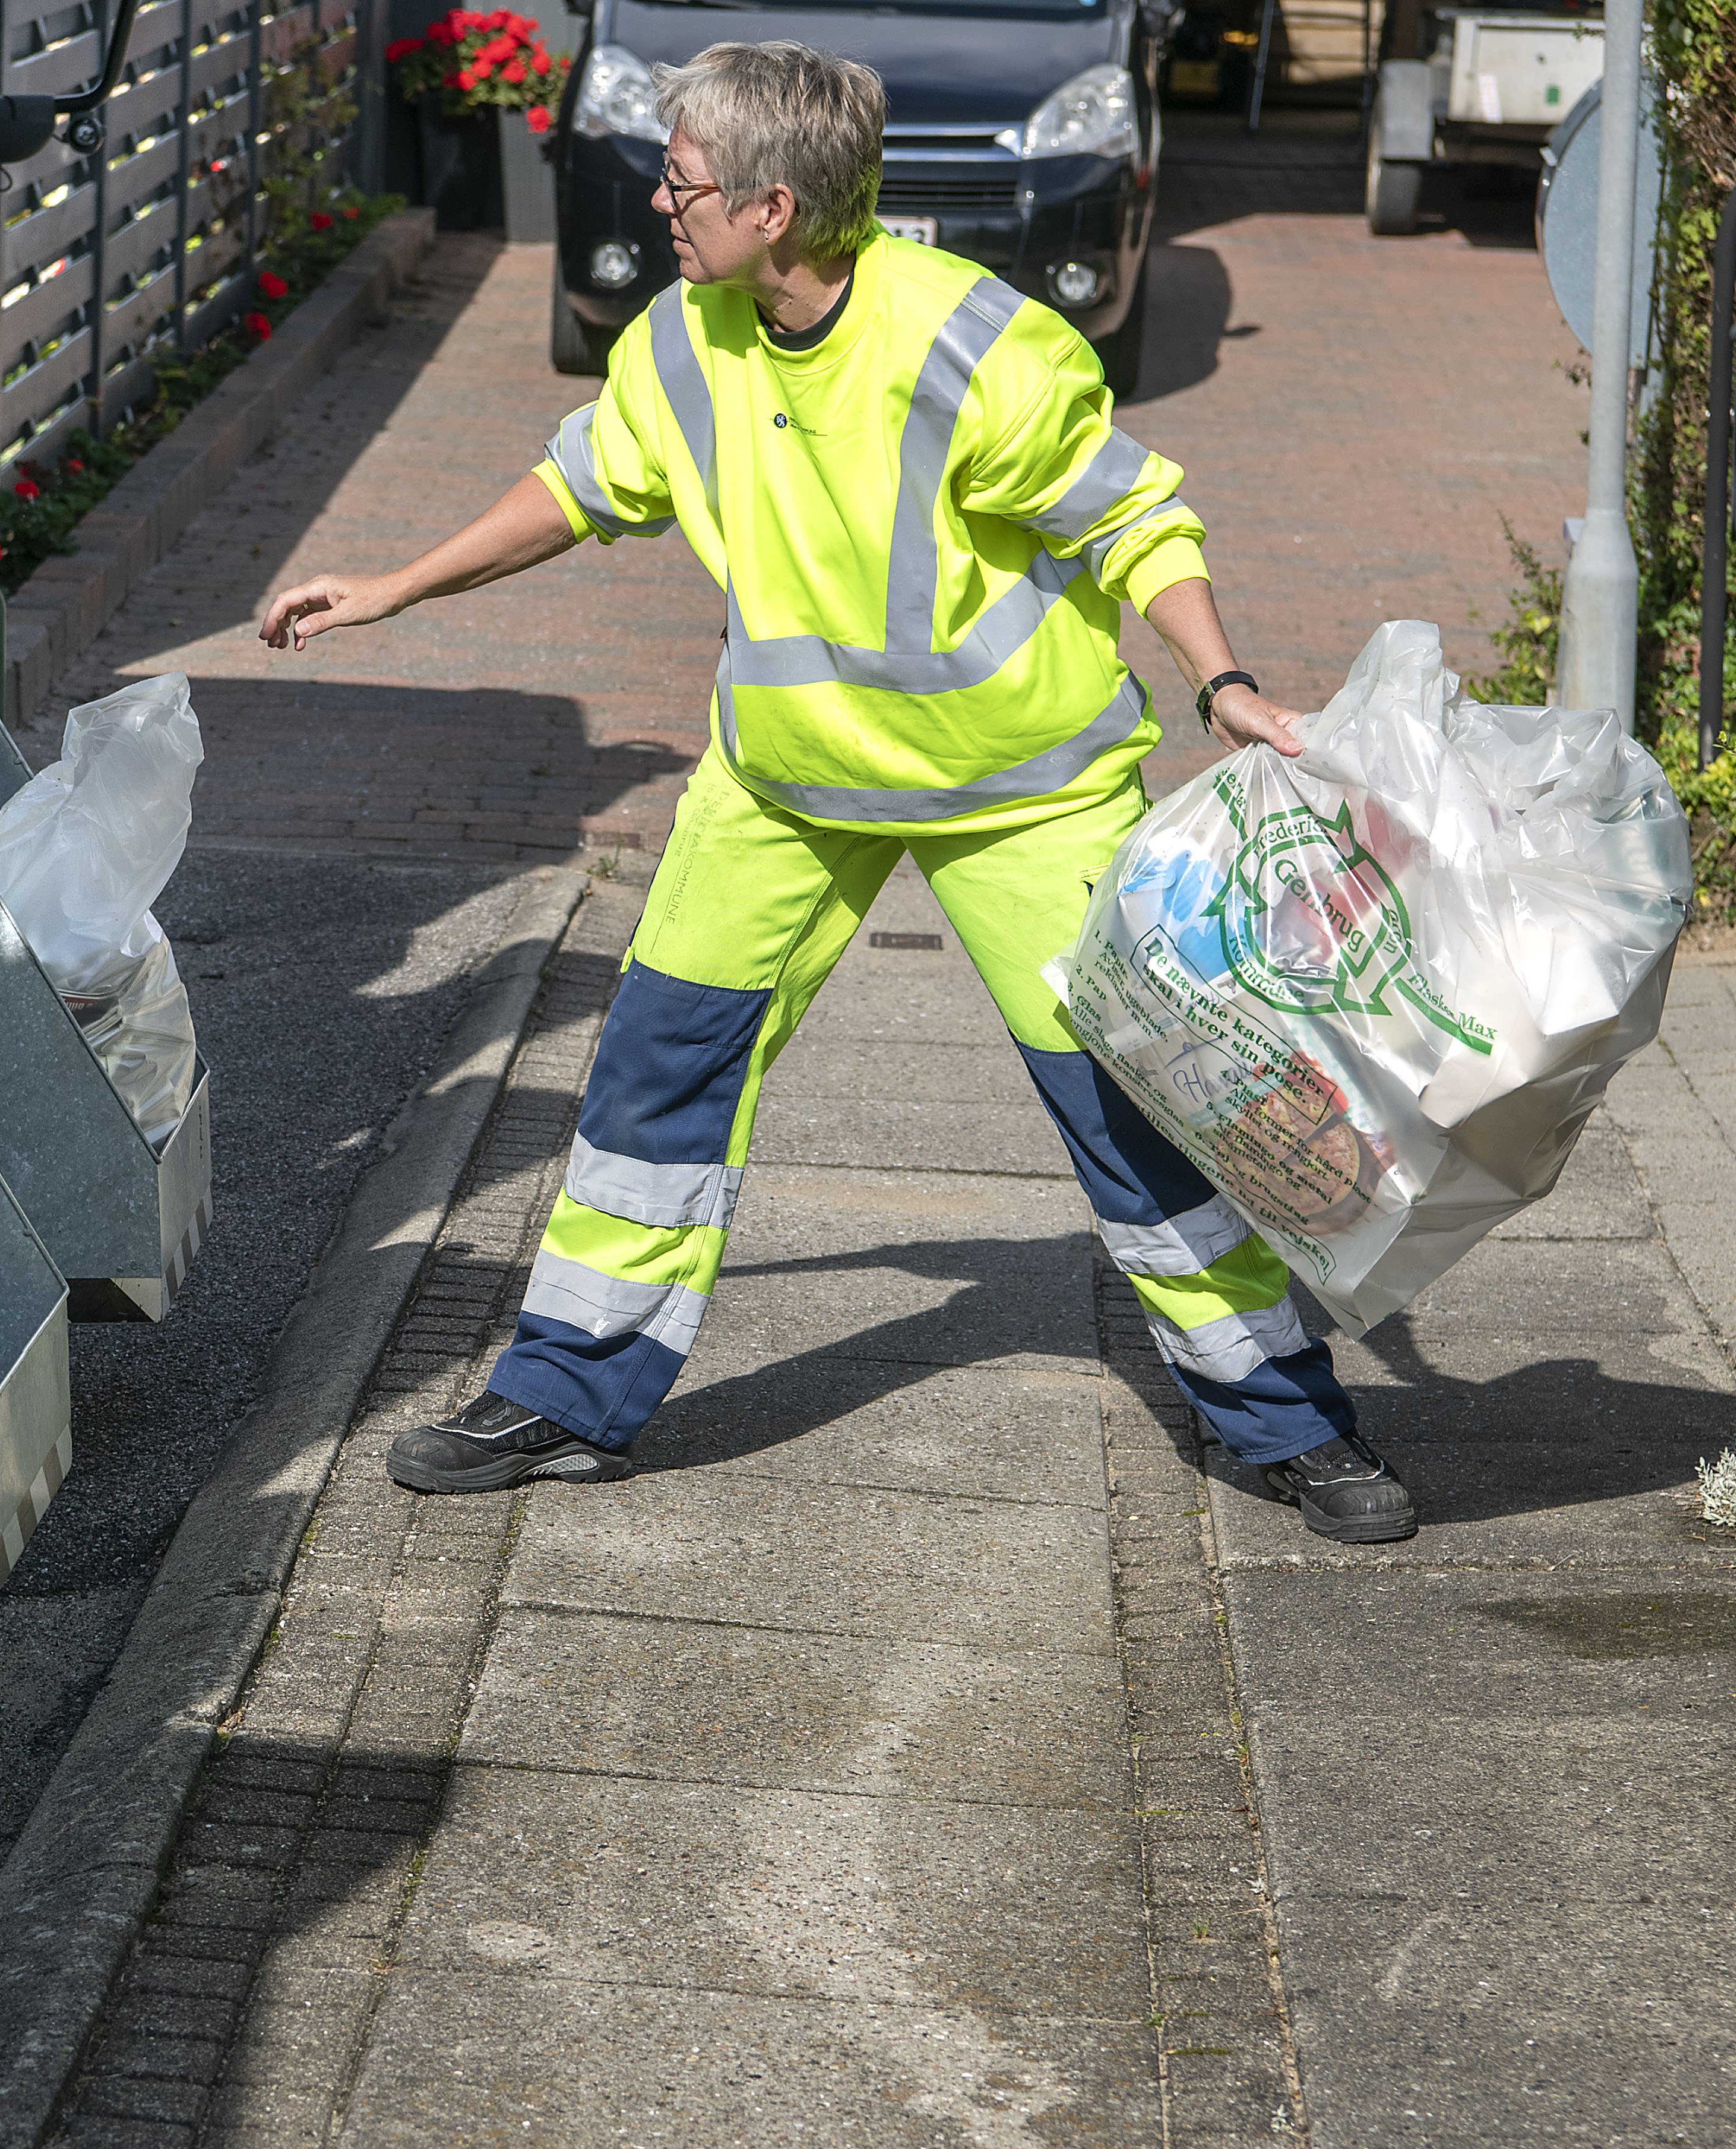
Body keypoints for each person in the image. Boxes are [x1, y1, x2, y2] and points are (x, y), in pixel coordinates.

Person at [255, 39, 1413, 1544]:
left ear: (774, 209)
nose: (656, 202)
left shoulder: (973, 350)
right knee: (653, 1074)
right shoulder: (682, 339)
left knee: (1135, 1111)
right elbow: (585, 481)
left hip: (1020, 792)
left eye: (681, 182)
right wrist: (396, 586)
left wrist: (1220, 682)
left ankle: (1288, 1422)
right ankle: (565, 1390)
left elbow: (1133, 517)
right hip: (784, 786)